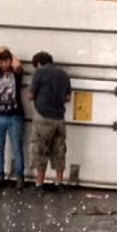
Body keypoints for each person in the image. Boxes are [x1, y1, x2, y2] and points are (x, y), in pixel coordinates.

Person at [28, 51, 72, 192]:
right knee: (59, 150)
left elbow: (30, 95)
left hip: (43, 118)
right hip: (59, 119)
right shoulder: (64, 75)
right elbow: (68, 98)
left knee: (40, 150)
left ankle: (39, 184)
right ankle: (59, 183)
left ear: (39, 64)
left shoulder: (39, 73)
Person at [0, 46, 25, 189]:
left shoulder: (17, 74)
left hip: (14, 116)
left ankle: (20, 178)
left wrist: (8, 50)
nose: (4, 65)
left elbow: (18, 65)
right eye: (1, 62)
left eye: (6, 61)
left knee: (17, 147)